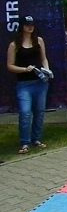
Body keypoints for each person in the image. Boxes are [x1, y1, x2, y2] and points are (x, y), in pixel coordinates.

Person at [6, 16, 50, 154]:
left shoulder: (39, 40)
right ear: (22, 26)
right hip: (24, 83)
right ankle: (24, 142)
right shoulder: (14, 45)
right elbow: (10, 65)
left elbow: (43, 58)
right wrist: (24, 69)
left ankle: (36, 139)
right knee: (25, 112)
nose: (30, 27)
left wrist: (47, 71)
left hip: (40, 82)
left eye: (32, 24)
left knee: (39, 111)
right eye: (27, 25)